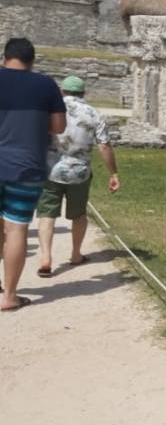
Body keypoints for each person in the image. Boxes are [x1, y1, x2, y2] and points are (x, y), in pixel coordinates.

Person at [0, 37, 66, 311]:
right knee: (16, 227)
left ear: (4, 58)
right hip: (26, 166)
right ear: (32, 61)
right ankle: (9, 296)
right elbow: (59, 127)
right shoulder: (46, 85)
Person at [36, 75, 120, 276]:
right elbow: (104, 146)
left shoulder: (50, 109)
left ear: (62, 91)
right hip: (79, 172)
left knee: (47, 213)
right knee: (79, 214)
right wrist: (114, 173)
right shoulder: (93, 113)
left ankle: (45, 257)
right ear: (83, 93)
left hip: (50, 169)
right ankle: (75, 254)